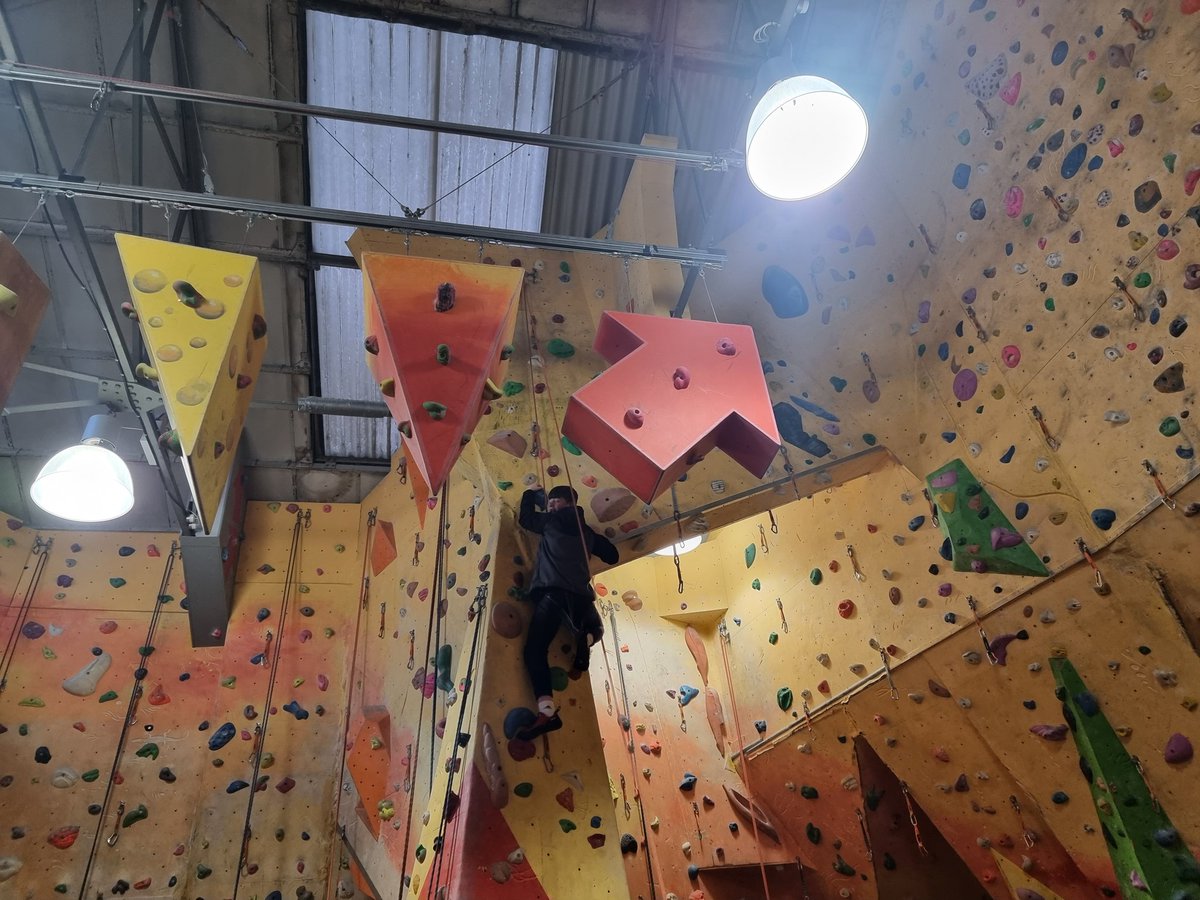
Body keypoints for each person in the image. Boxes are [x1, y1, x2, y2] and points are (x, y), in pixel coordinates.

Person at [518, 485, 619, 723]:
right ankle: (587, 639)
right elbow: (613, 555)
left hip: (553, 594)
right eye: (550, 502)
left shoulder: (551, 523)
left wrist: (529, 493)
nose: (552, 505)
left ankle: (546, 711)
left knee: (535, 649)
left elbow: (526, 518)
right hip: (581, 597)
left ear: (569, 504)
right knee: (597, 629)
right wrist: (594, 541)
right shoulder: (588, 534)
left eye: (556, 501)